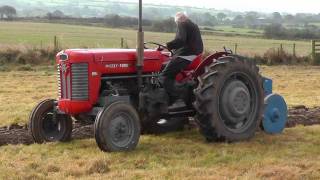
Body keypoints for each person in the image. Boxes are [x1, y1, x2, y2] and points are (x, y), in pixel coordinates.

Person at [161, 12, 204, 103]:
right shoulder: (192, 25)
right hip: (192, 53)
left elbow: (180, 40)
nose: (177, 24)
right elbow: (185, 42)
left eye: (176, 22)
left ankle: (176, 98)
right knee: (164, 66)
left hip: (187, 55)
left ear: (179, 19)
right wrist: (172, 52)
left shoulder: (182, 24)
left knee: (164, 75)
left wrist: (167, 46)